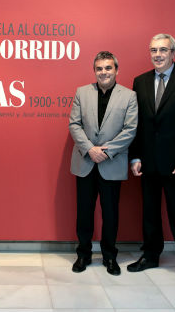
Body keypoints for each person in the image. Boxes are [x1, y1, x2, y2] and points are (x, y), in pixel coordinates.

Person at [128, 33, 175, 286]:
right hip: (148, 161)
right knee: (149, 213)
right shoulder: (140, 81)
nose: (157, 55)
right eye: (153, 50)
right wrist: (135, 156)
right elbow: (137, 124)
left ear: (173, 52)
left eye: (162, 50)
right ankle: (150, 256)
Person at [69, 51, 138, 275]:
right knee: (84, 213)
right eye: (99, 68)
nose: (104, 72)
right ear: (95, 71)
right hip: (85, 162)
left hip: (112, 164)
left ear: (116, 70)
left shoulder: (129, 96)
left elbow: (130, 130)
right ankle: (83, 255)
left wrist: (106, 152)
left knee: (110, 214)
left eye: (108, 68)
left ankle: (109, 257)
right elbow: (74, 125)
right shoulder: (82, 92)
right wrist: (90, 149)